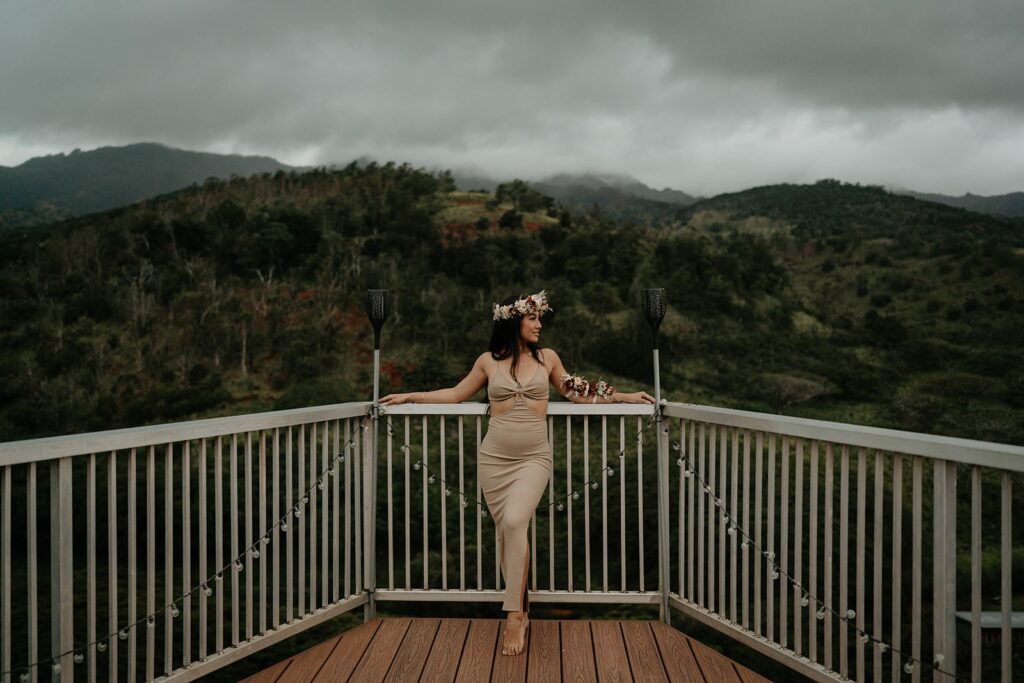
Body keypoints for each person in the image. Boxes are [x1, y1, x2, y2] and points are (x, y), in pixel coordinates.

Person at [379, 291, 655, 656]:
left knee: (513, 522)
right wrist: (410, 395)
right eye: (533, 318)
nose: (539, 324)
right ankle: (522, 610)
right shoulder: (488, 362)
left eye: (540, 318)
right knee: (508, 533)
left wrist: (624, 396)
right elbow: (457, 394)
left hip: (533, 459)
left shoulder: (548, 358)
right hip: (493, 460)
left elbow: (575, 391)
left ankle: (512, 616)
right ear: (513, 321)